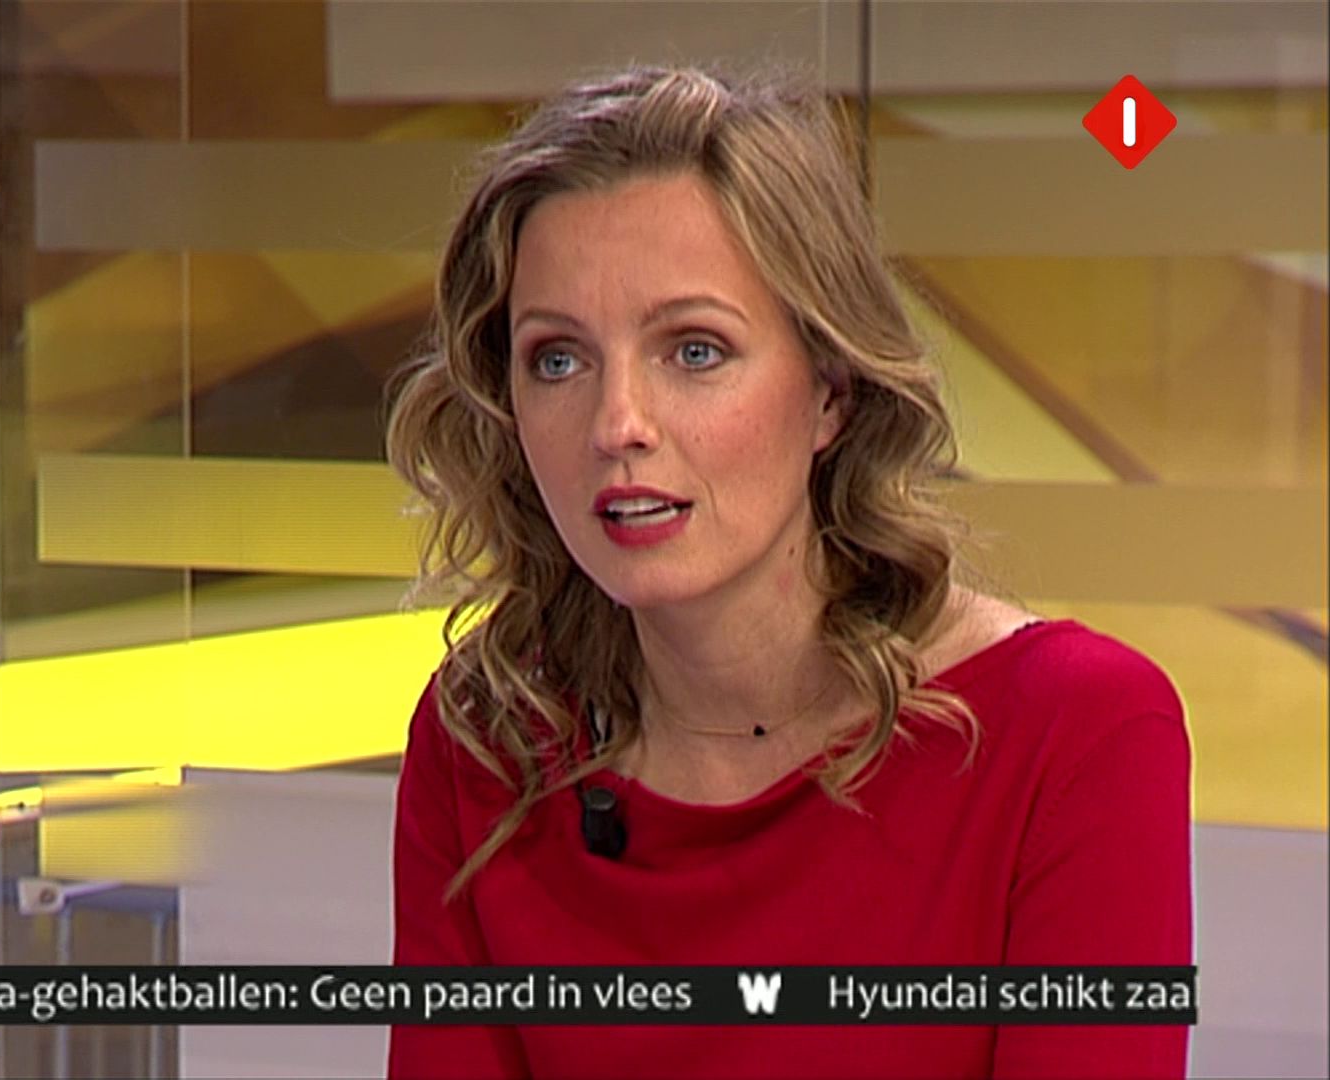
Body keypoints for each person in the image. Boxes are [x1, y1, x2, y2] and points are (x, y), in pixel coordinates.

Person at [380, 64, 1191, 1079]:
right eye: (557, 359)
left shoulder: (1074, 734)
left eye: (694, 351)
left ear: (831, 392)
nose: (616, 424)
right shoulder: (488, 740)